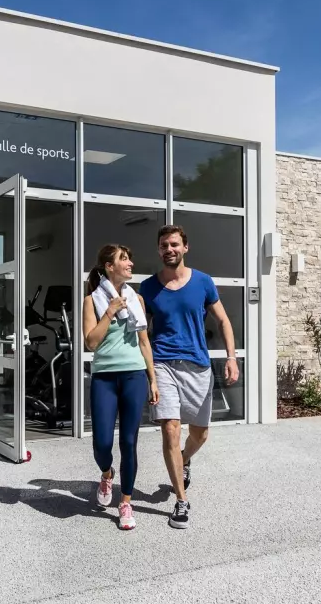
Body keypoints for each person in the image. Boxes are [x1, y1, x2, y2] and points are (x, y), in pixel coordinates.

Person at [140, 225, 238, 529]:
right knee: (170, 428)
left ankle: (184, 458)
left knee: (200, 434)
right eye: (163, 245)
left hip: (198, 366)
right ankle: (181, 502)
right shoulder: (148, 287)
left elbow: (223, 320)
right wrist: (147, 372)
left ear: (185, 247)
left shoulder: (203, 282)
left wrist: (231, 358)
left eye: (174, 244)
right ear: (158, 250)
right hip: (164, 364)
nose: (169, 249)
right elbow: (141, 332)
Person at [83, 244, 159, 531]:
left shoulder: (136, 299)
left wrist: (153, 379)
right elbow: (91, 343)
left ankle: (125, 502)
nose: (130, 264)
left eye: (129, 259)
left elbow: (144, 342)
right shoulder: (92, 300)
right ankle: (107, 473)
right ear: (109, 266)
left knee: (129, 442)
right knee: (102, 444)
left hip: (133, 376)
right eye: (123, 259)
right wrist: (110, 312)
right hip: (104, 377)